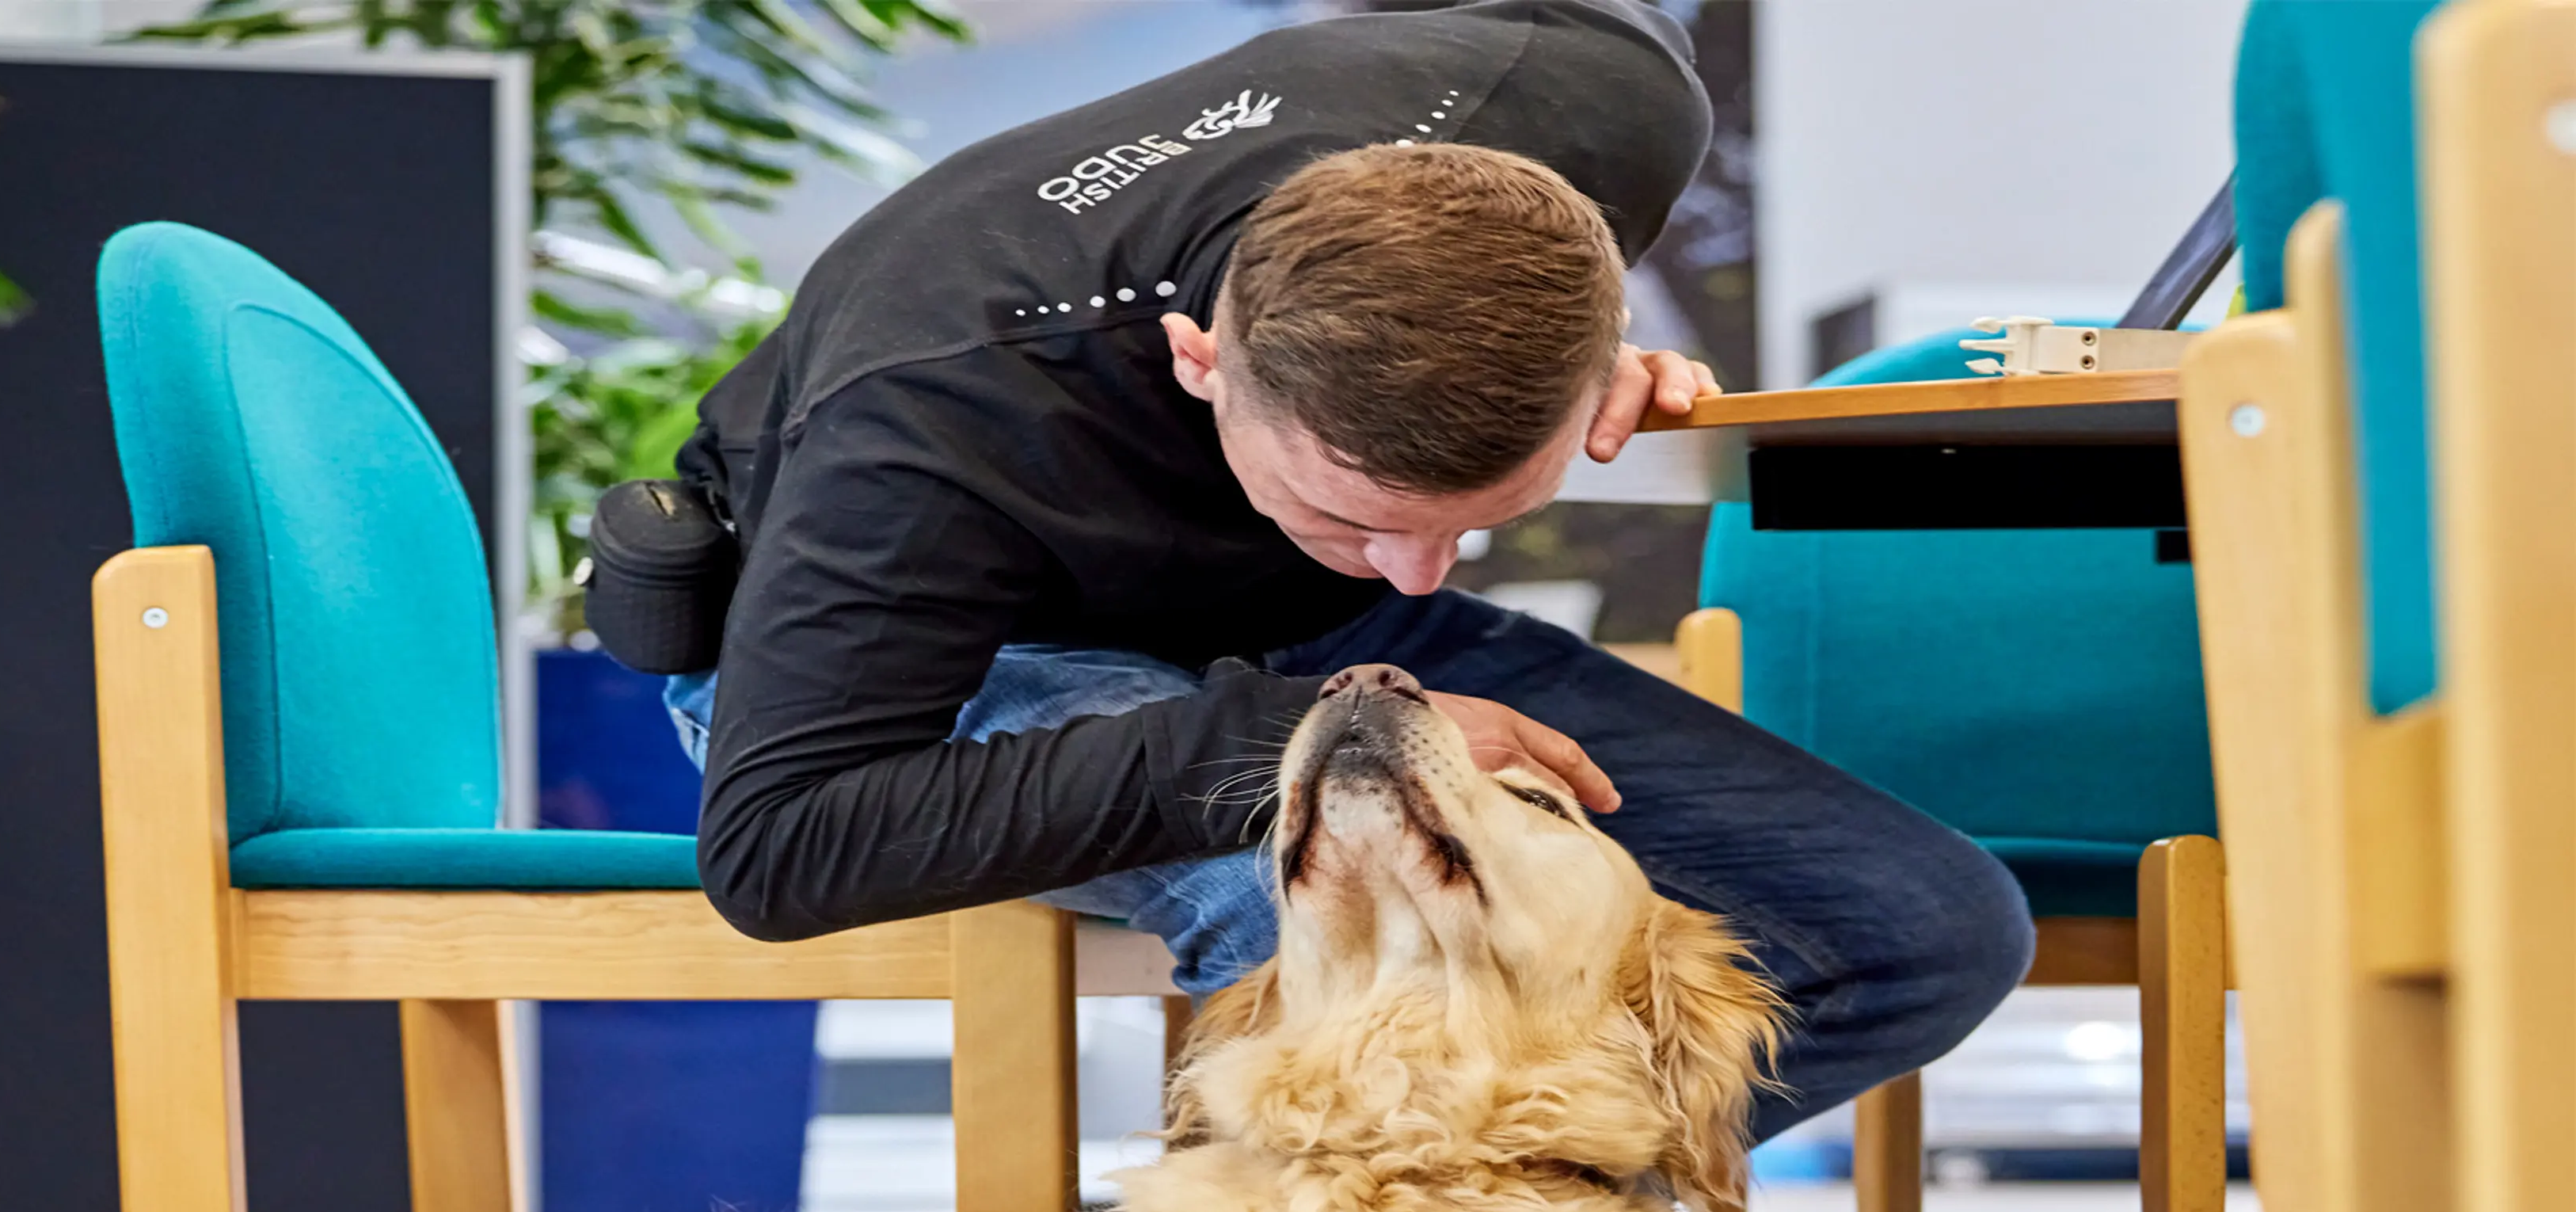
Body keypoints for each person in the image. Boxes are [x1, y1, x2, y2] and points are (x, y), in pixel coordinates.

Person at [638, 0, 2031, 1144]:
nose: (1426, 576)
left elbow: (1409, 547)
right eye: (1356, 512)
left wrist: (1548, 335)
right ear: (1201, 363)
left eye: (1487, 516)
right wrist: (1326, 750)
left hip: (1296, 631)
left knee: (1921, 932)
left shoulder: (1597, 102)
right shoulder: (935, 424)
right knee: (1375, 940)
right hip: (958, 673)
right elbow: (788, 844)